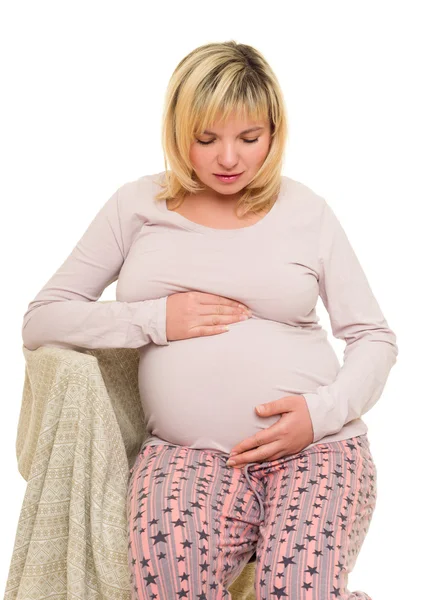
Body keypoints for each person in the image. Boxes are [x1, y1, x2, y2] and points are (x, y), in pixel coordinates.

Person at [22, 40, 398, 599]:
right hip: (184, 457)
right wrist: (155, 319)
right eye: (207, 139)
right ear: (180, 132)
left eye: (250, 139)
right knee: (171, 588)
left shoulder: (307, 212)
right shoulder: (137, 206)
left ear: (274, 133)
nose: (229, 159)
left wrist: (319, 415)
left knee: (296, 592)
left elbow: (373, 337)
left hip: (315, 449)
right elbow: (43, 319)